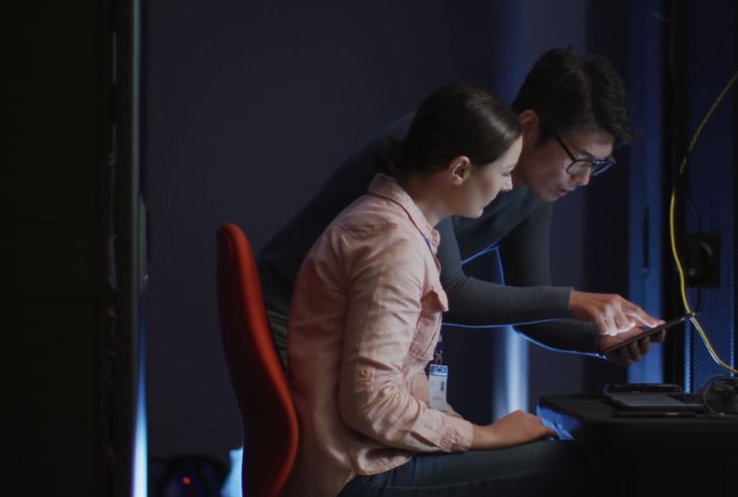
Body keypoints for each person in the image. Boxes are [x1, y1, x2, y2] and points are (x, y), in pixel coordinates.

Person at [259, 48, 666, 368]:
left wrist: (600, 339)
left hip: (344, 328)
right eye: (579, 160)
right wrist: (573, 301)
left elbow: (528, 309)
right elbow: (445, 291)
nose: (584, 179)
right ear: (528, 126)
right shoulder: (442, 143)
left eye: (598, 166)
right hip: (287, 311)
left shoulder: (534, 193)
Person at [285, 84, 597, 497]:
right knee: (577, 465)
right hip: (360, 473)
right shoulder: (393, 248)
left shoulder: (401, 229)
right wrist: (486, 436)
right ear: (460, 170)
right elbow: (370, 404)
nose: (508, 187)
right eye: (504, 172)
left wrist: (468, 434)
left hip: (371, 455)